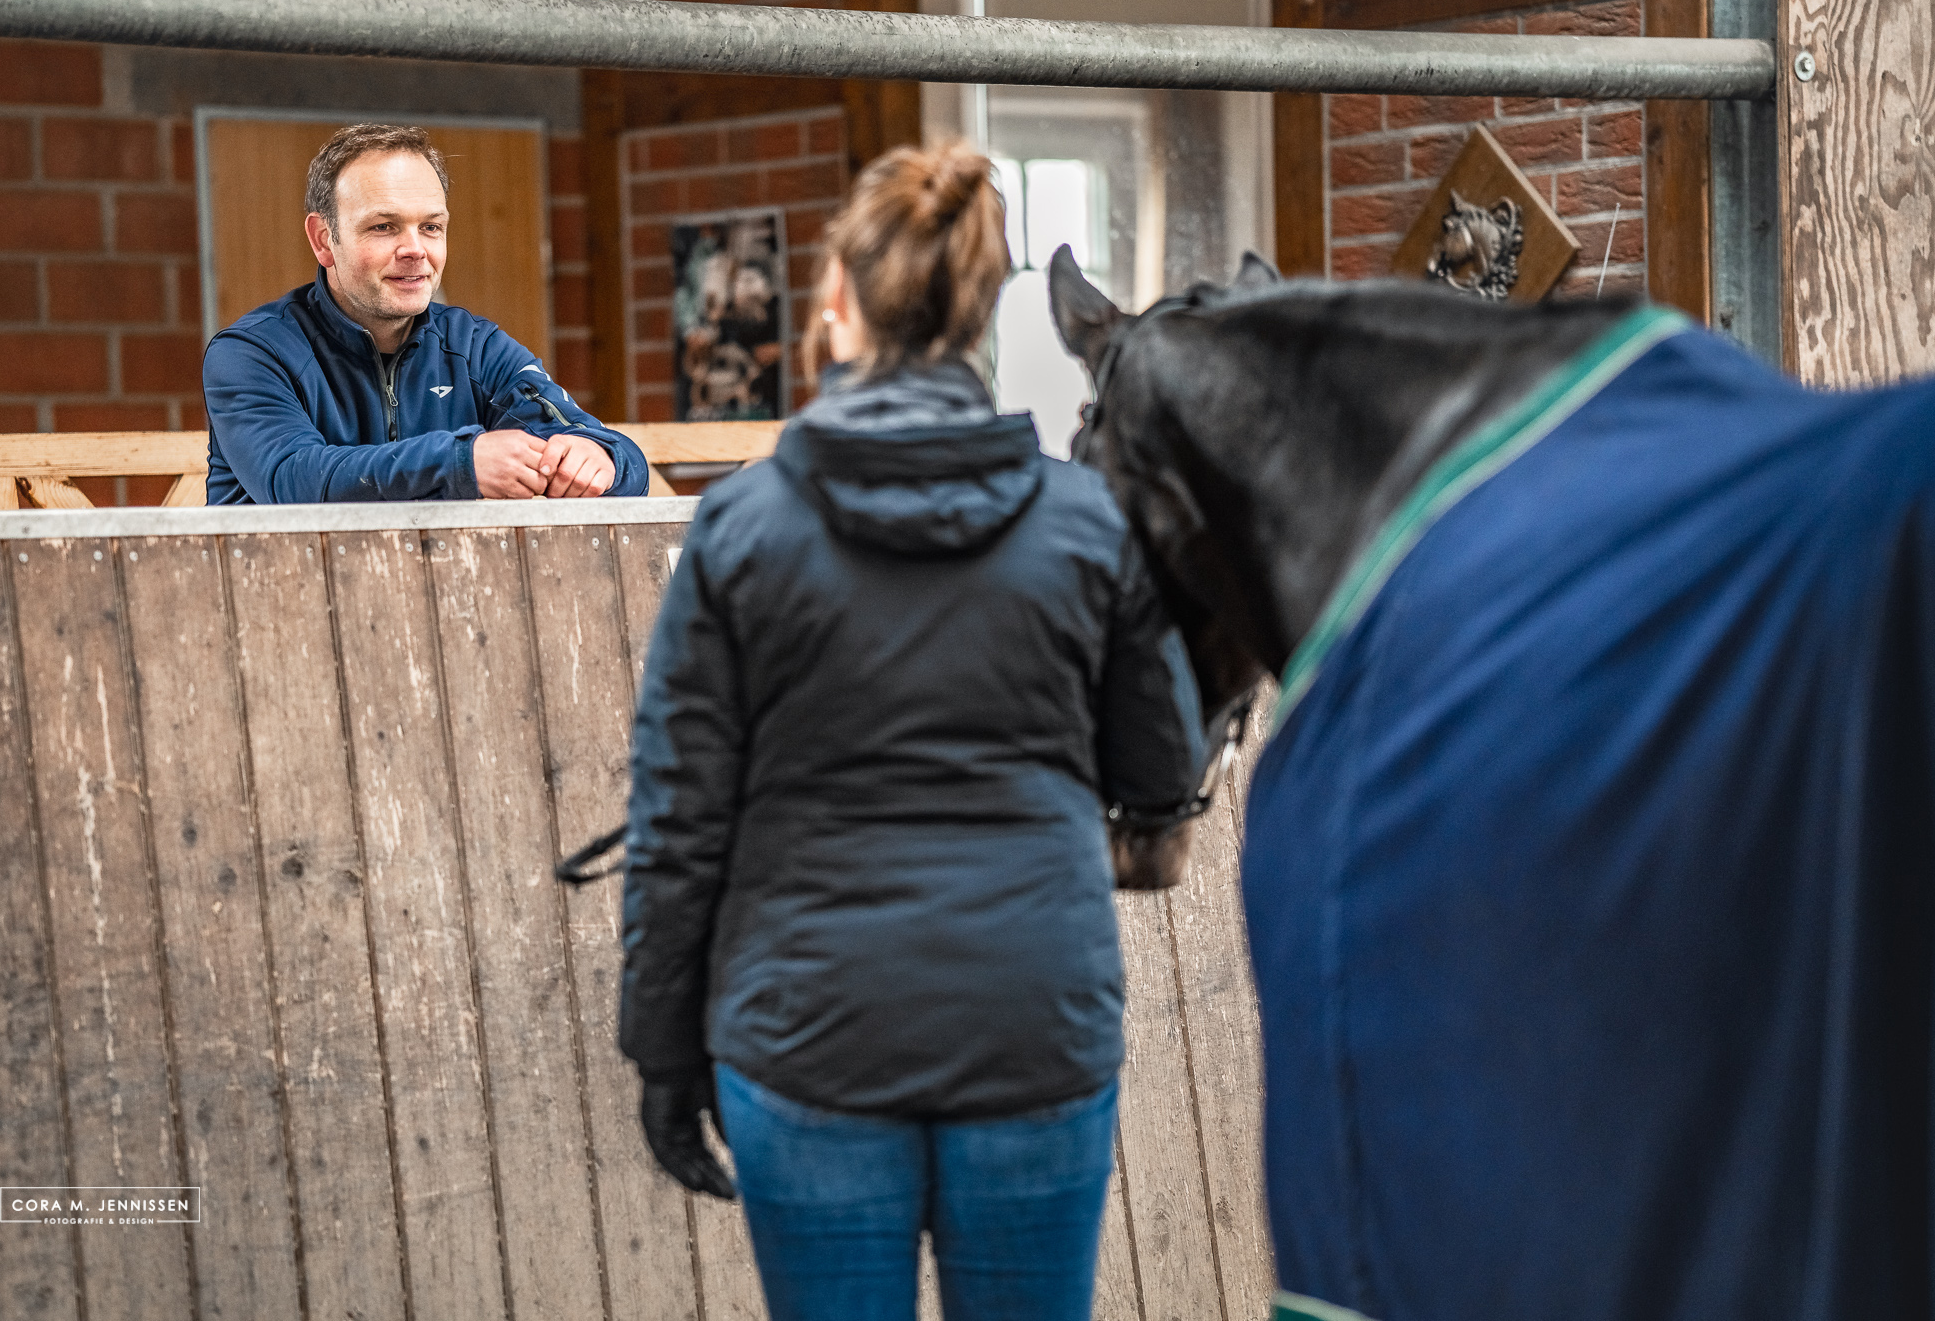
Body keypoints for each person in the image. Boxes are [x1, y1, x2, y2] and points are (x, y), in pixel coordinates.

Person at [617, 140, 1207, 1321]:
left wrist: (662, 1049)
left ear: (836, 301)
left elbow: (678, 822)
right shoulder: (1085, 525)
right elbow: (1162, 769)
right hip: (1029, 1020)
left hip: (805, 1035)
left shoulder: (738, 529)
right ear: (981, 313)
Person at [202, 123, 647, 503]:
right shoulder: (252, 353)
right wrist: (459, 463)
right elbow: (294, 480)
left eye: (431, 227)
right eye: (384, 227)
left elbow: (611, 450)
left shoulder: (476, 347)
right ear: (323, 239)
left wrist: (601, 460)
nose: (416, 249)